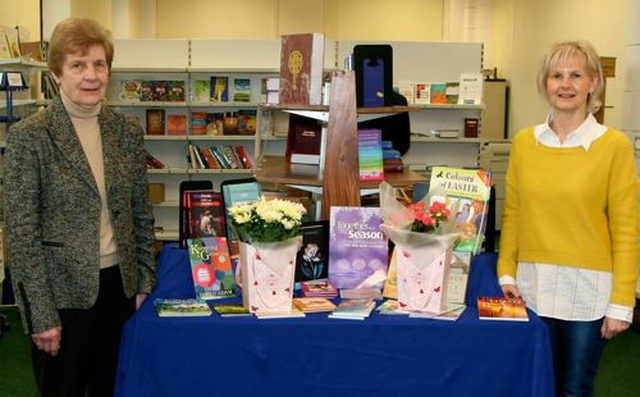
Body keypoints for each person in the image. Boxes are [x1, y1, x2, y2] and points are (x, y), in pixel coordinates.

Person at [4, 18, 157, 396]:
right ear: (57, 73)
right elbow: (22, 234)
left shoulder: (126, 132)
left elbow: (141, 213)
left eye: (99, 64)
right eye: (78, 64)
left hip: (119, 293)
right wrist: (40, 315)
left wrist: (143, 282)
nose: (91, 75)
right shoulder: (29, 138)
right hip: (60, 300)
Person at [497, 40, 638, 397]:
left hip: (588, 291)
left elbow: (626, 229)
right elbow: (514, 213)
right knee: (533, 383)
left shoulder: (613, 146)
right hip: (531, 285)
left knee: (574, 388)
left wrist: (623, 301)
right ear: (545, 83)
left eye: (576, 75)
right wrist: (506, 271)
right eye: (556, 75)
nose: (565, 84)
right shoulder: (526, 142)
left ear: (594, 83)